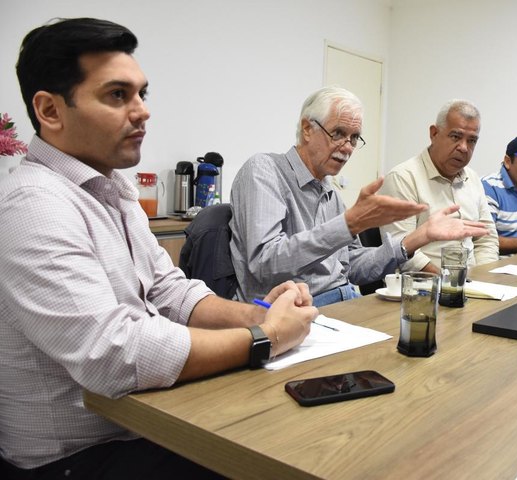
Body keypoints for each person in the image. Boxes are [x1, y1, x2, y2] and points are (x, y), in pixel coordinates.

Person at [0, 18, 317, 479]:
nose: (142, 111)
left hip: (143, 424)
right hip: (76, 458)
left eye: (141, 94)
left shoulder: (113, 190)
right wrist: (266, 339)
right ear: (50, 111)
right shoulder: (33, 205)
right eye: (116, 95)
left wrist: (259, 315)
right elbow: (112, 354)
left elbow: (171, 292)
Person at [230, 87, 489, 306]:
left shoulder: (330, 191)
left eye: (354, 138)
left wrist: (415, 239)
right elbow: (264, 263)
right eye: (339, 134)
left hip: (345, 303)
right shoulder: (264, 170)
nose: (347, 147)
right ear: (307, 129)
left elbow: (353, 266)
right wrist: (347, 225)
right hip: (291, 312)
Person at [378, 100, 499, 273]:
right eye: (456, 137)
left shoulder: (472, 179)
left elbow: (486, 239)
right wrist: (449, 284)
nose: (464, 148)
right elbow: (402, 249)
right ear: (434, 133)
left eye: (472, 141)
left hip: (470, 286)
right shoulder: (403, 177)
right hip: (422, 287)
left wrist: (481, 279)